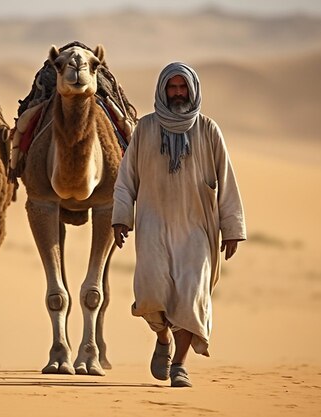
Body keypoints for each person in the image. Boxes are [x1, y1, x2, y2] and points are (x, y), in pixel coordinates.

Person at [111, 62, 246, 388]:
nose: (177, 94)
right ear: (162, 90)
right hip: (153, 225)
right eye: (172, 88)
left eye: (182, 87)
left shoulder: (209, 130)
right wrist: (120, 217)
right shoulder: (145, 128)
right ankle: (162, 337)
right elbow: (126, 179)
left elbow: (227, 181)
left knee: (191, 295)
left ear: (193, 89)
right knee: (150, 295)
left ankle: (180, 366)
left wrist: (231, 228)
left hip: (197, 227)